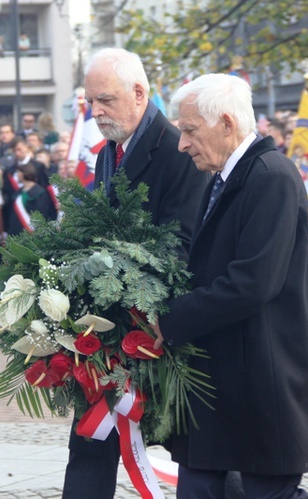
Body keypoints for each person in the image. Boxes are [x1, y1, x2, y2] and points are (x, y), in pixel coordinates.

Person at [149, 73, 308, 498]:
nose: (181, 143)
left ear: (225, 123)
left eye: (189, 131)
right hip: (226, 370)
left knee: (267, 493)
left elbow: (253, 282)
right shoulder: (225, 175)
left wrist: (171, 320)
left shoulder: (270, 175)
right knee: (200, 486)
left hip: (266, 369)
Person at [62, 47, 210, 499]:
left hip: (158, 323)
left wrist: (131, 290)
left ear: (140, 93)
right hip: (110, 327)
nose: (96, 111)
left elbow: (181, 242)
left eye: (105, 100)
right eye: (91, 102)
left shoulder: (176, 148)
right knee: (91, 438)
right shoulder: (111, 149)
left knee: (195, 451)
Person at [7, 163, 57, 236]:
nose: (17, 175)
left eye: (18, 172)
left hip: (32, 236)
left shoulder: (40, 193)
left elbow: (42, 216)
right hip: (15, 234)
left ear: (24, 173)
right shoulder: (18, 192)